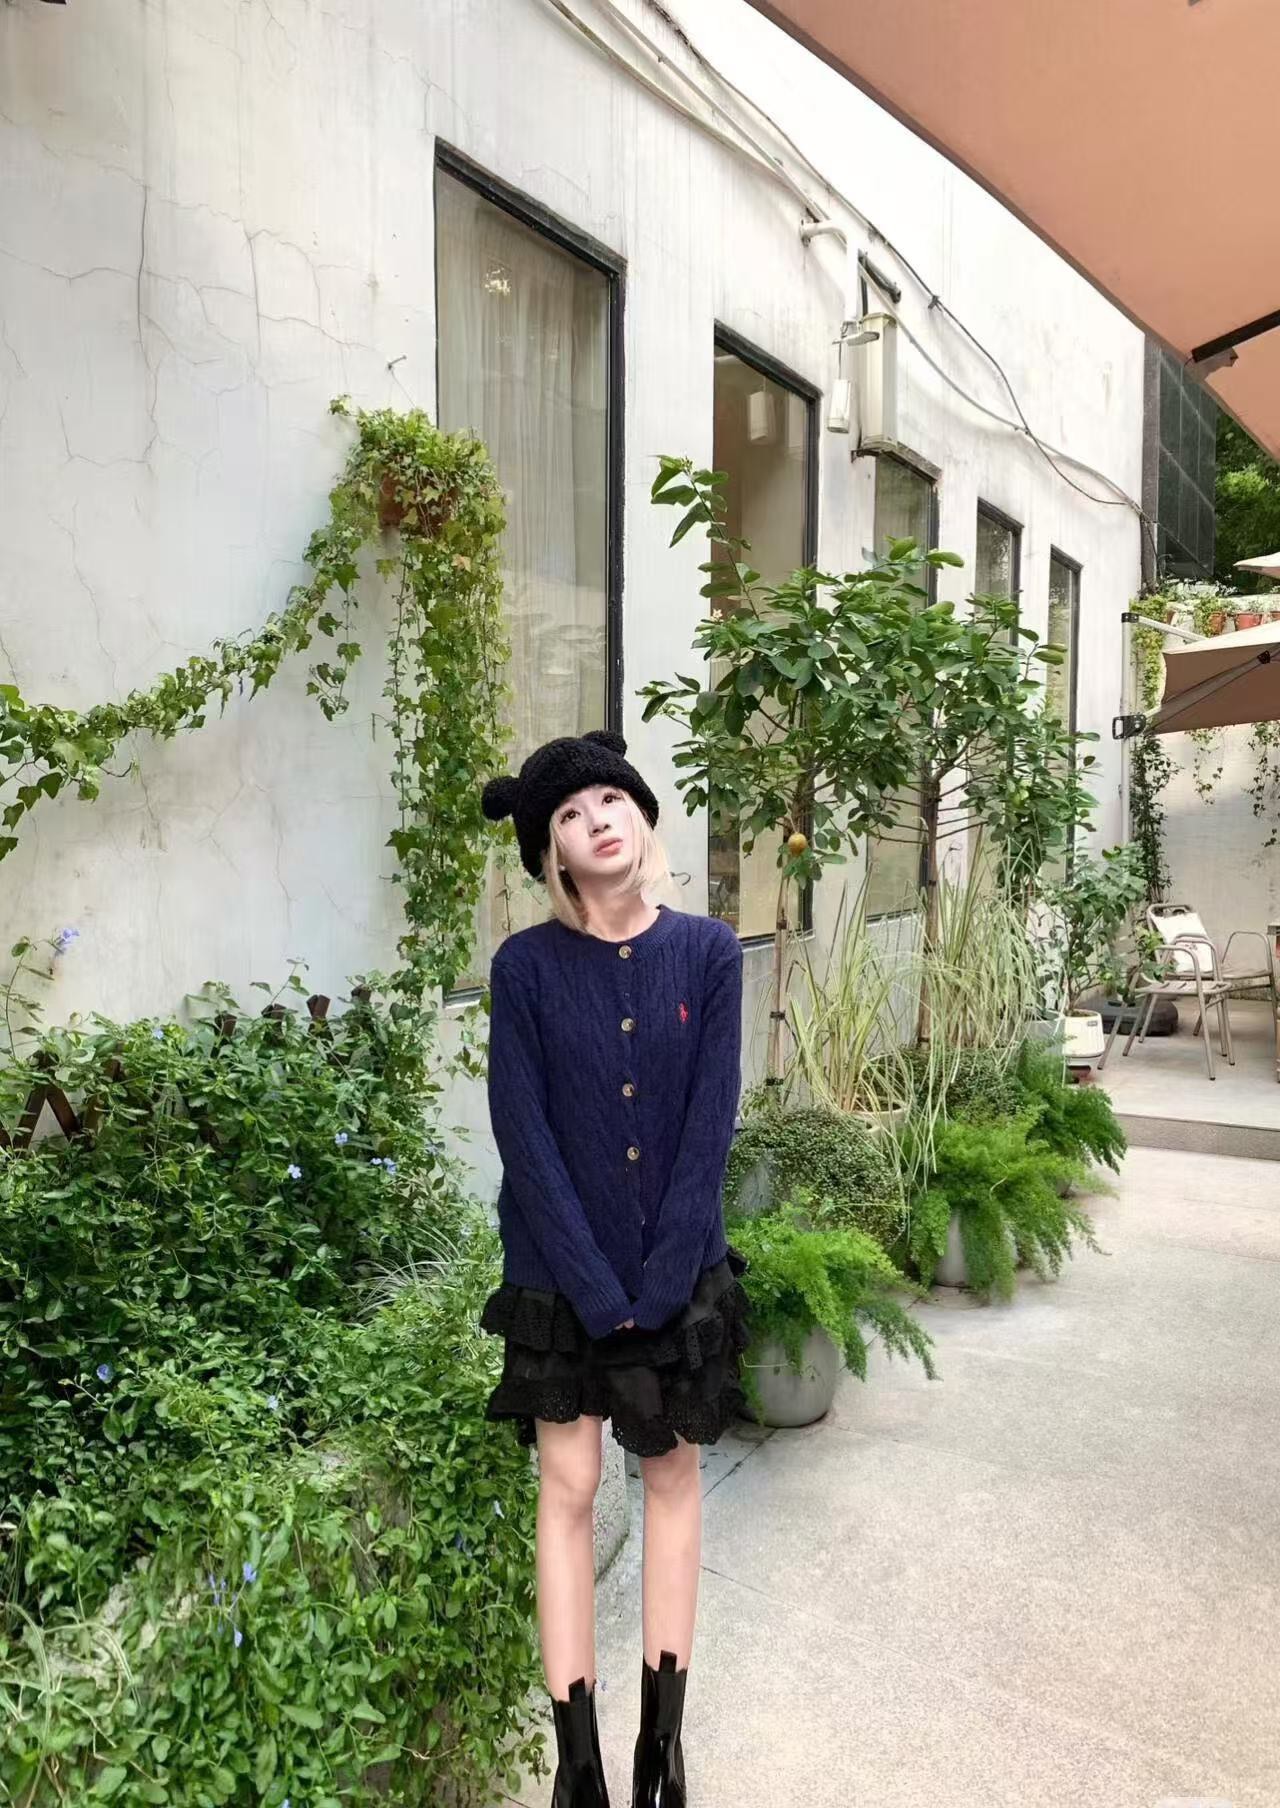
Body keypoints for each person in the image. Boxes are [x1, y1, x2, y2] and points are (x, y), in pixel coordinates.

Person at [478, 727, 752, 1808]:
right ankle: (578, 1765)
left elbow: (708, 1128)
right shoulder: (524, 969)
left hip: (674, 1269)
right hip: (559, 1276)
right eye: (569, 812)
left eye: (609, 798)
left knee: (671, 1475)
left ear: (641, 814)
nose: (597, 817)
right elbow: (524, 1138)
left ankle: (660, 1754)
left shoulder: (709, 952)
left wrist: (660, 1286)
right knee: (571, 1485)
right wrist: (598, 1295)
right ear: (550, 852)